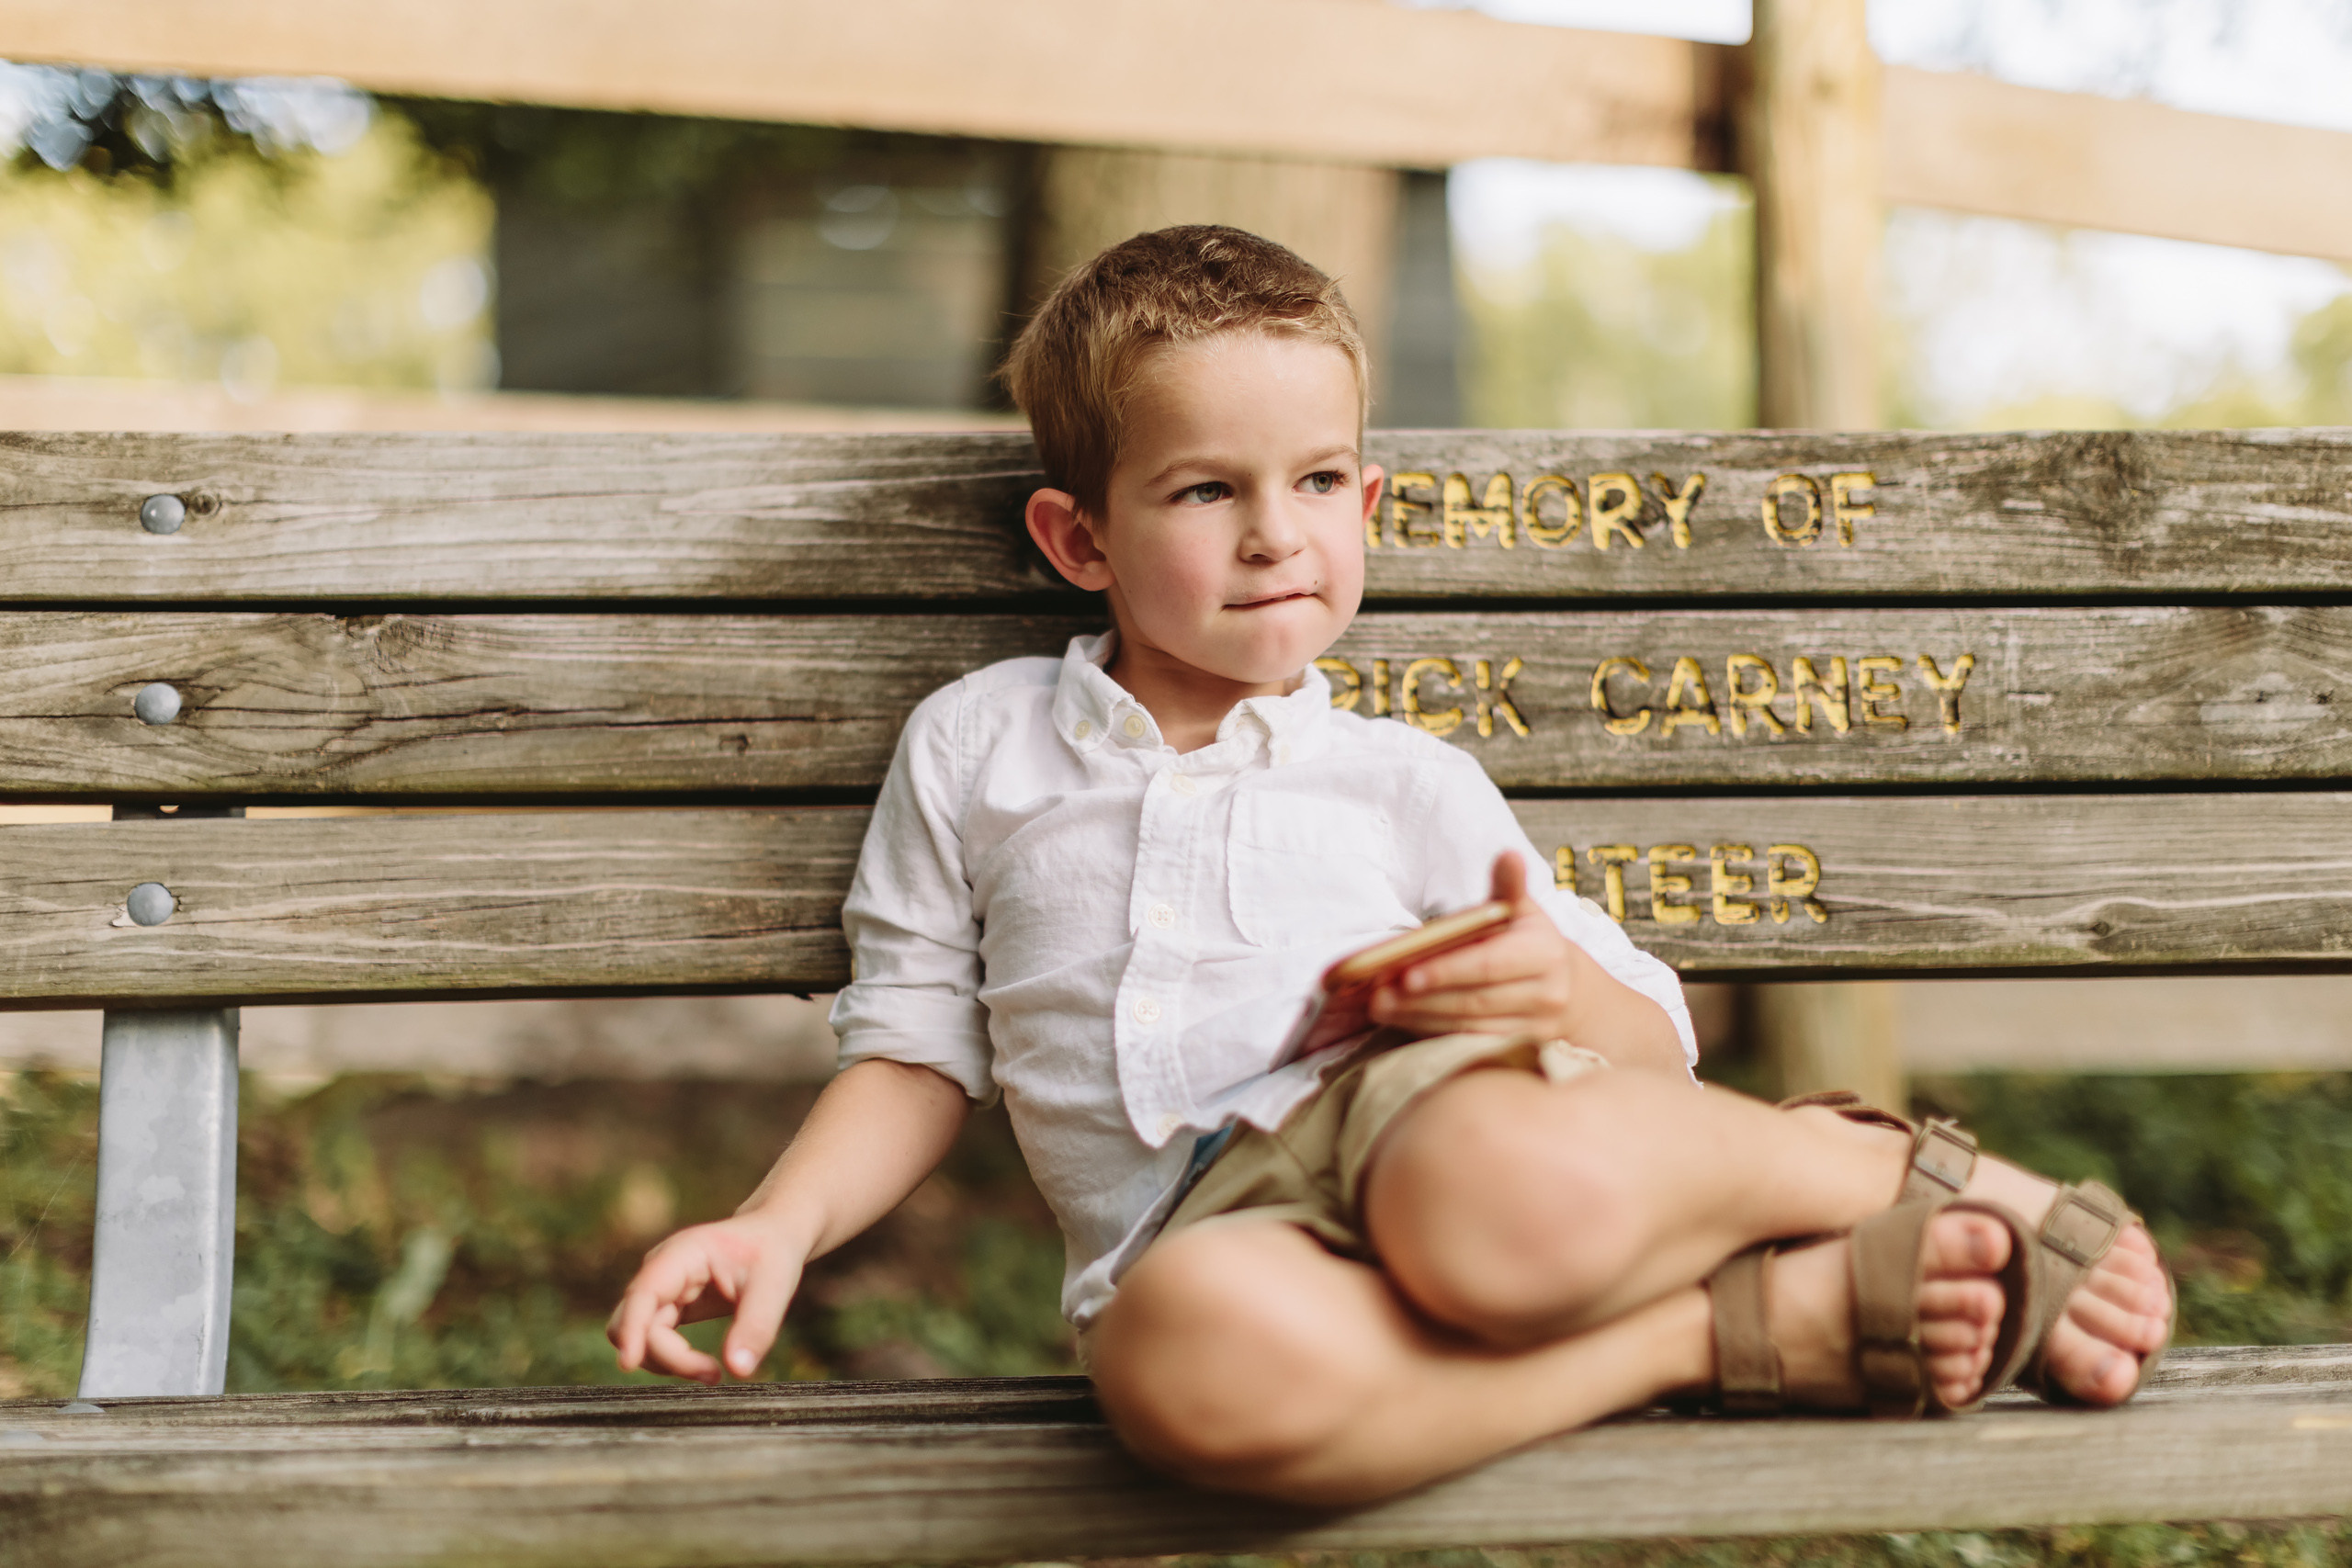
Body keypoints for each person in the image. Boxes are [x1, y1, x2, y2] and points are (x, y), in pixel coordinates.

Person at [608, 225, 2173, 1506]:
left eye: (1316, 483)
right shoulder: (978, 747)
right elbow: (915, 1054)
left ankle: (1894, 1168)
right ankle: (1726, 1332)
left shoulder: (1403, 779)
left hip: (1424, 1128)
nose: (1275, 535)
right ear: (1080, 540)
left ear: (1364, 501)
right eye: (1206, 490)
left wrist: (1539, 984)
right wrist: (776, 1225)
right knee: (1180, 1377)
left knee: (1484, 1199)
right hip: (1207, 1245)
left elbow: (1644, 1035)